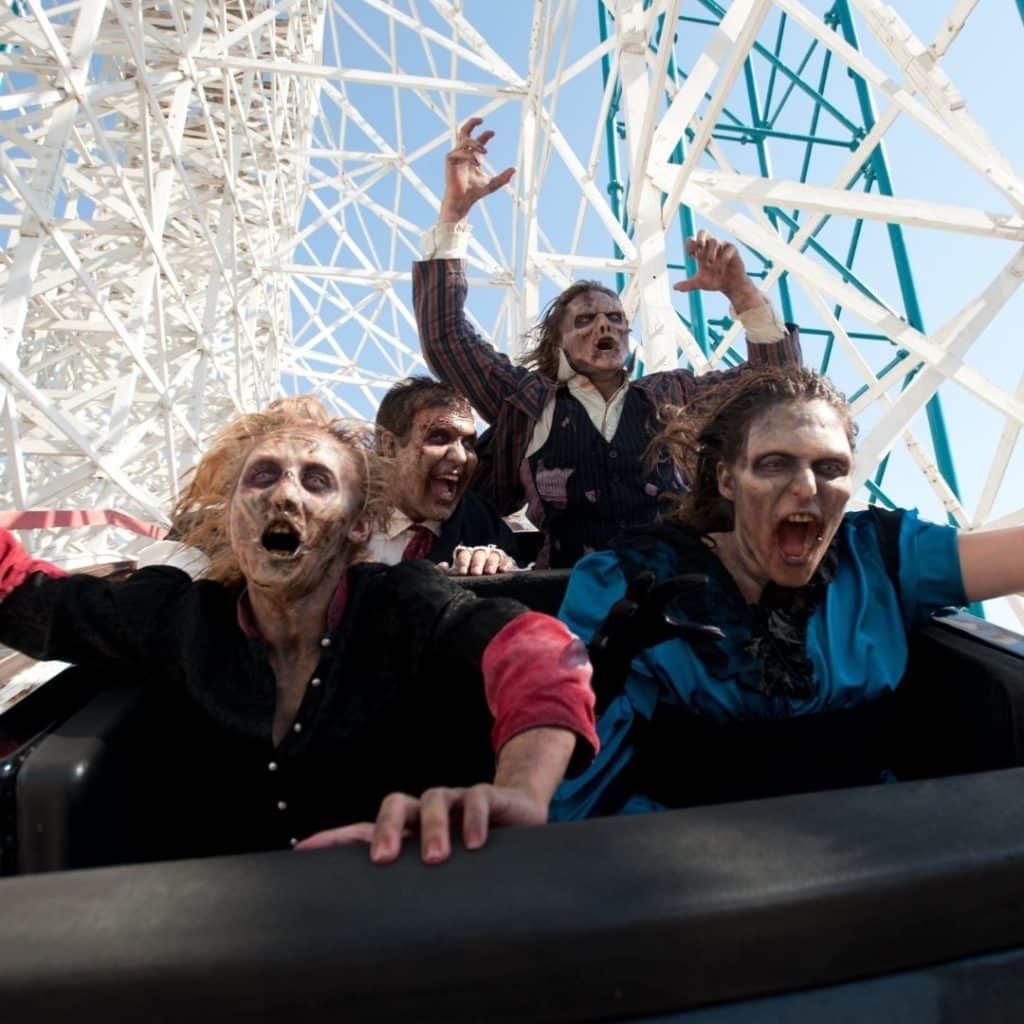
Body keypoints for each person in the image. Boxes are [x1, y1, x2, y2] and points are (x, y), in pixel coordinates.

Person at [0, 397, 597, 863]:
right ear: (231, 517)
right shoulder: (180, 617)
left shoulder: (400, 602)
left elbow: (539, 651)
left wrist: (521, 789)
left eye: (316, 481)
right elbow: (27, 594)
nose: (284, 493)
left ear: (359, 526)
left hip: (397, 899)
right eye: (261, 478)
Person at [549, 367, 1024, 820]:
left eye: (831, 467)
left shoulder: (880, 554)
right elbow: (566, 747)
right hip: (682, 865)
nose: (806, 487)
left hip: (880, 851)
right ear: (727, 479)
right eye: (775, 464)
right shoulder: (627, 582)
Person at [414, 118, 802, 568]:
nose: (606, 328)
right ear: (557, 341)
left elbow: (776, 386)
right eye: (586, 320)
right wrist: (454, 216)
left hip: (678, 589)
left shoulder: (671, 394)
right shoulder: (528, 400)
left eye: (617, 319)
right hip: (565, 592)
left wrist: (742, 293)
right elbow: (446, 337)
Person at [369, 376, 525, 575]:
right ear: (388, 446)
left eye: (468, 443)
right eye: (439, 438)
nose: (461, 457)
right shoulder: (339, 521)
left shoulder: (484, 525)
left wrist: (500, 566)